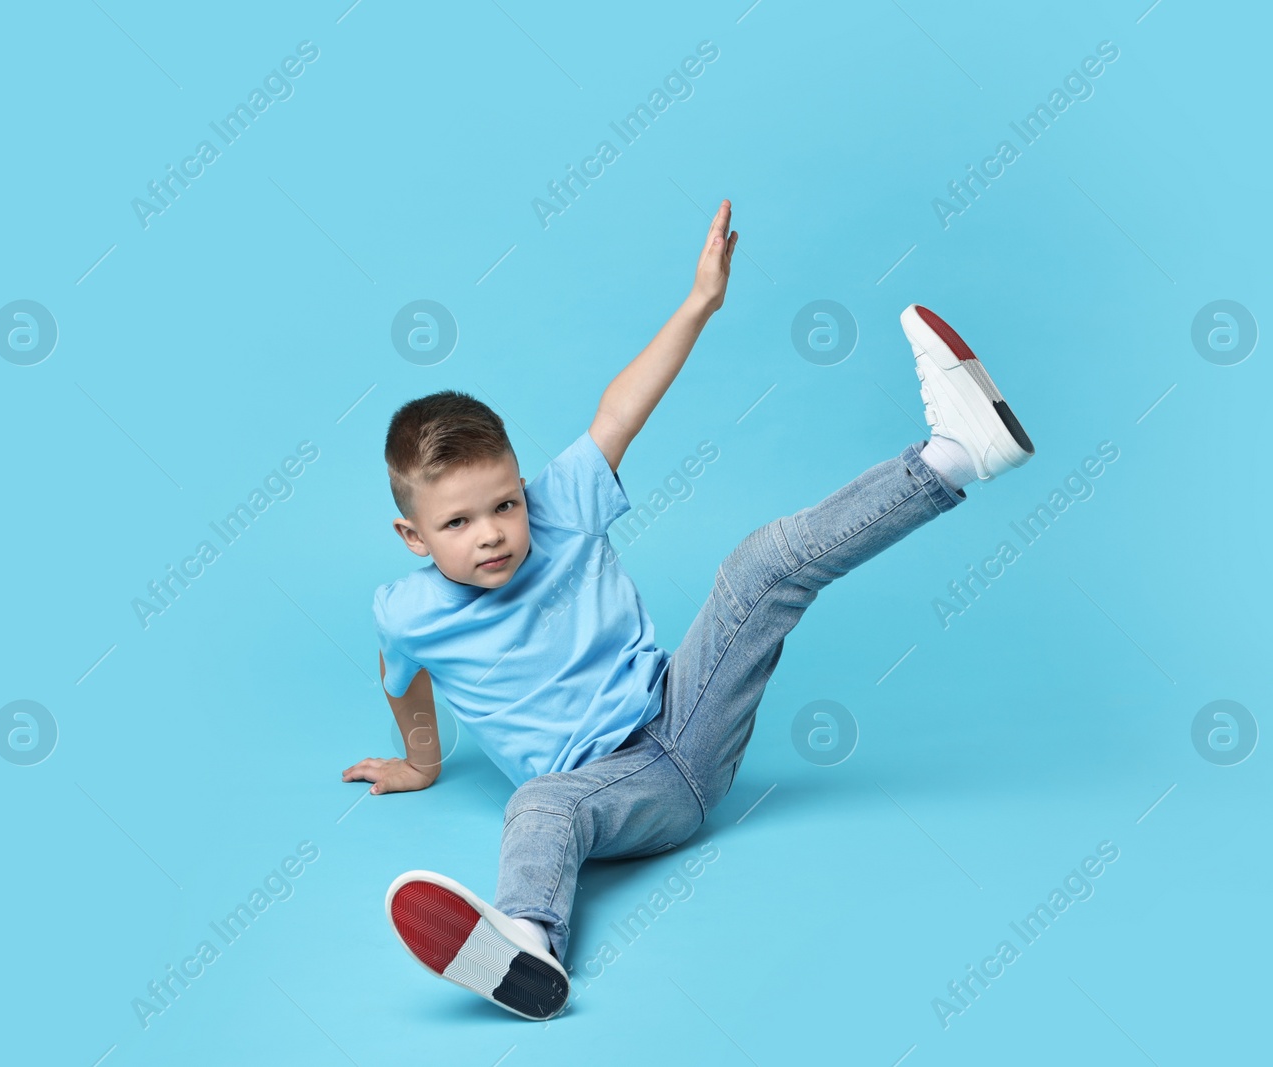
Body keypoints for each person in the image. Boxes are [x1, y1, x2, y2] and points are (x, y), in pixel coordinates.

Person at [344, 200, 1034, 1020]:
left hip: (682, 711)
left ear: (522, 482)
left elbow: (620, 407)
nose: (493, 533)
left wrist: (699, 301)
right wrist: (421, 763)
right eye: (458, 523)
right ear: (412, 536)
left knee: (760, 565)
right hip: (630, 788)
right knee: (539, 803)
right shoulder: (406, 612)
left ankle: (954, 455)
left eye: (503, 504)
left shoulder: (561, 502)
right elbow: (405, 682)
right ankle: (527, 946)